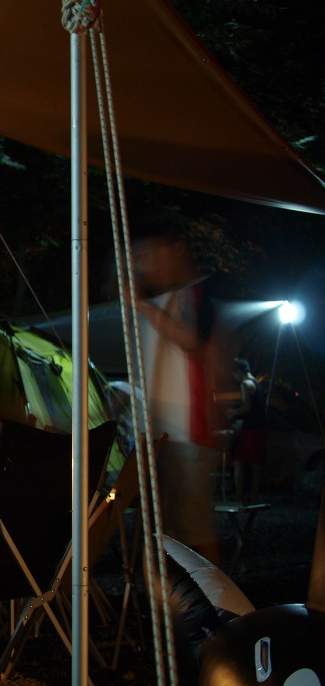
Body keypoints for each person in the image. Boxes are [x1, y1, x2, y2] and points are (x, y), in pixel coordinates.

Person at [134, 222, 225, 565]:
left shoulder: (196, 295)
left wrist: (143, 306)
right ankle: (172, 594)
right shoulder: (156, 302)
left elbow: (190, 340)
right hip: (158, 431)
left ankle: (216, 595)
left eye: (151, 254)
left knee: (194, 528)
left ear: (175, 251)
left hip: (188, 430)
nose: (145, 264)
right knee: (165, 528)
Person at [226, 357, 268, 504]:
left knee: (239, 462)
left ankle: (239, 496)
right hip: (261, 427)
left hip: (250, 429)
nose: (234, 378)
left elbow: (246, 407)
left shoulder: (245, 384)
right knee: (256, 465)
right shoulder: (257, 384)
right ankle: (254, 496)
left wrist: (233, 412)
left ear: (237, 371)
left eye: (233, 374)